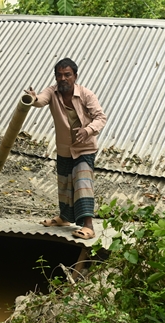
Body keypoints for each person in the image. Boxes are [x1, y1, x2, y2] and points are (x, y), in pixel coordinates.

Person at [24, 58, 107, 240]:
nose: (63, 78)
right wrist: (32, 97)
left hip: (85, 147)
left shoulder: (86, 94)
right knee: (64, 183)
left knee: (82, 182)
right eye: (59, 75)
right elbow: (39, 101)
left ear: (75, 76)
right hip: (64, 148)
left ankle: (88, 226)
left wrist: (88, 130)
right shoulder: (52, 92)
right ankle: (64, 218)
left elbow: (101, 117)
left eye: (67, 75)